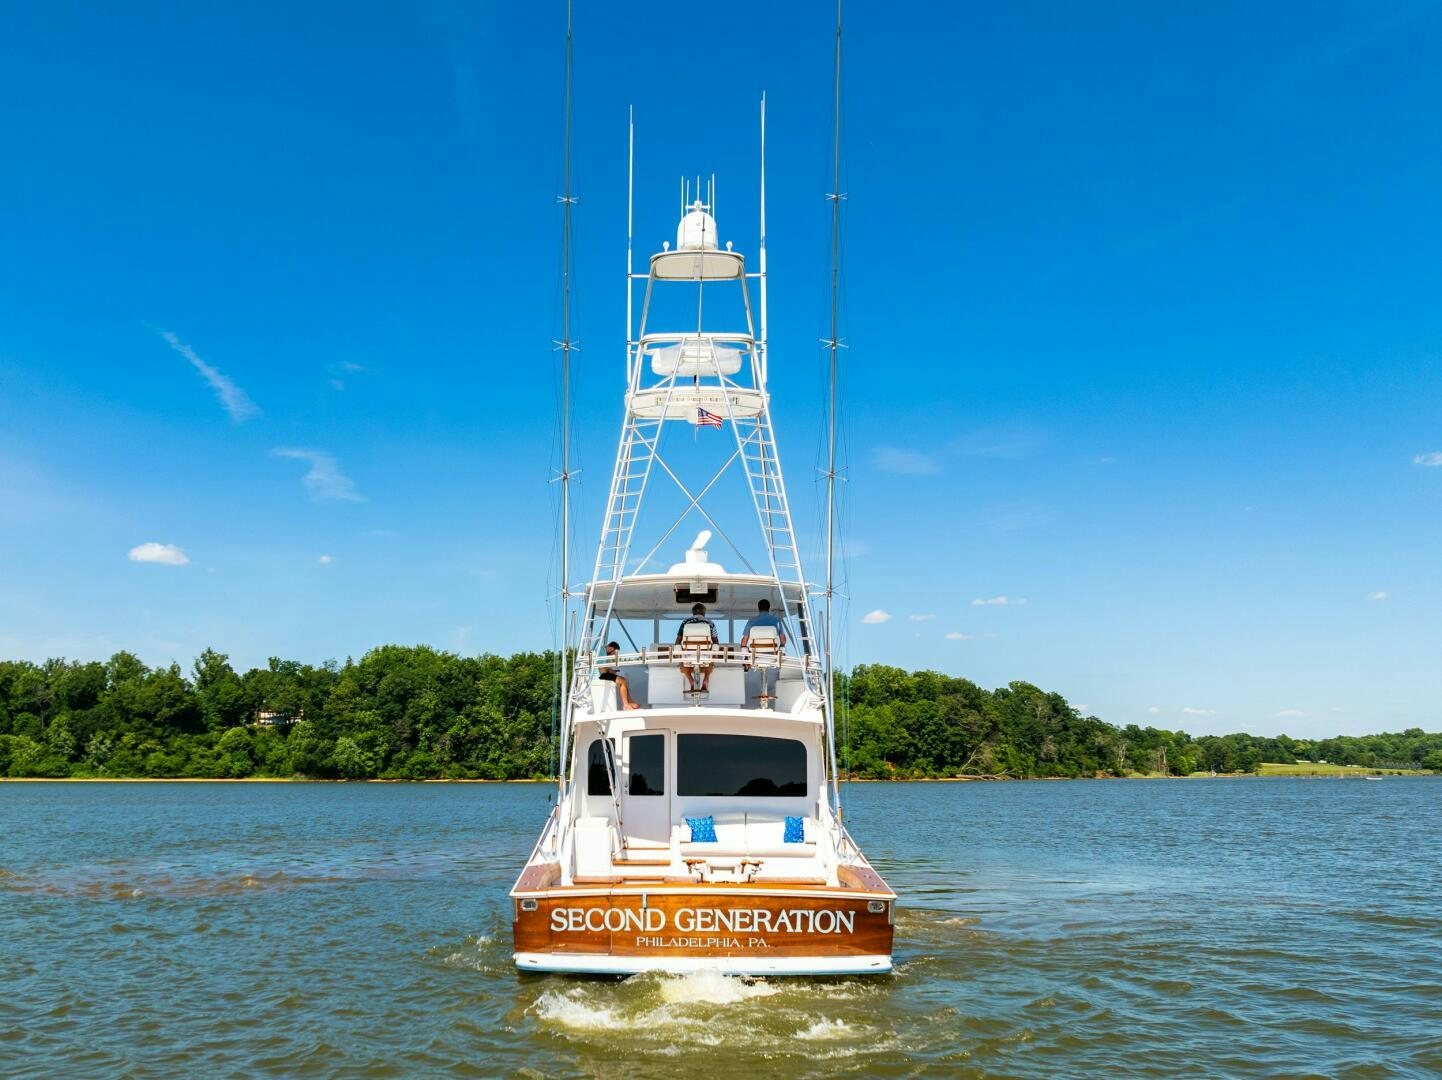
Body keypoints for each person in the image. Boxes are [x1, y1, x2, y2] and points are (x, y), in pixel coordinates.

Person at [675, 602, 719, 693]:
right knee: (711, 656)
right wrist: (714, 656)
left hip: (688, 655)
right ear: (704, 613)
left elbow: (678, 641)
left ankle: (691, 682)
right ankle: (706, 679)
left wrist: (678, 656)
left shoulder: (685, 622)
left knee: (682, 663)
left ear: (693, 613)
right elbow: (715, 641)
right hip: (704, 655)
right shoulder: (710, 622)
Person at [599, 641, 641, 710]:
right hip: (599, 676)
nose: (612, 655)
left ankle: (630, 701)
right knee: (623, 681)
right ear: (611, 648)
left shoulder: (602, 650)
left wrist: (611, 671)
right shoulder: (602, 653)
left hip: (601, 673)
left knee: (624, 679)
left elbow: (603, 668)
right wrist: (610, 671)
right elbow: (603, 671)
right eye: (613, 653)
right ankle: (625, 705)